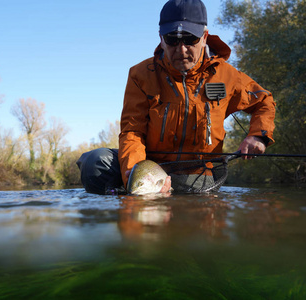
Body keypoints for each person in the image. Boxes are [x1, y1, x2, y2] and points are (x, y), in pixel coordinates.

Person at [77, 0, 276, 195]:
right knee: (95, 163)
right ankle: (128, 193)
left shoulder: (227, 76)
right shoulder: (140, 75)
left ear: (205, 37)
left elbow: (264, 101)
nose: (181, 50)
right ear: (161, 38)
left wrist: (257, 135)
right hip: (152, 167)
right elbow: (132, 132)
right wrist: (134, 174)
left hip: (199, 173)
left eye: (190, 39)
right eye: (172, 39)